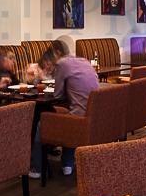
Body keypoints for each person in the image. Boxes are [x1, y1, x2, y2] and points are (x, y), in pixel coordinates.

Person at [29, 40, 99, 179]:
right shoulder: (83, 61)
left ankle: (37, 168)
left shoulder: (62, 63)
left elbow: (58, 95)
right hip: (95, 115)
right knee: (68, 113)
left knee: (40, 124)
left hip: (80, 120)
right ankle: (68, 163)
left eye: (51, 53)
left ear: (57, 52)